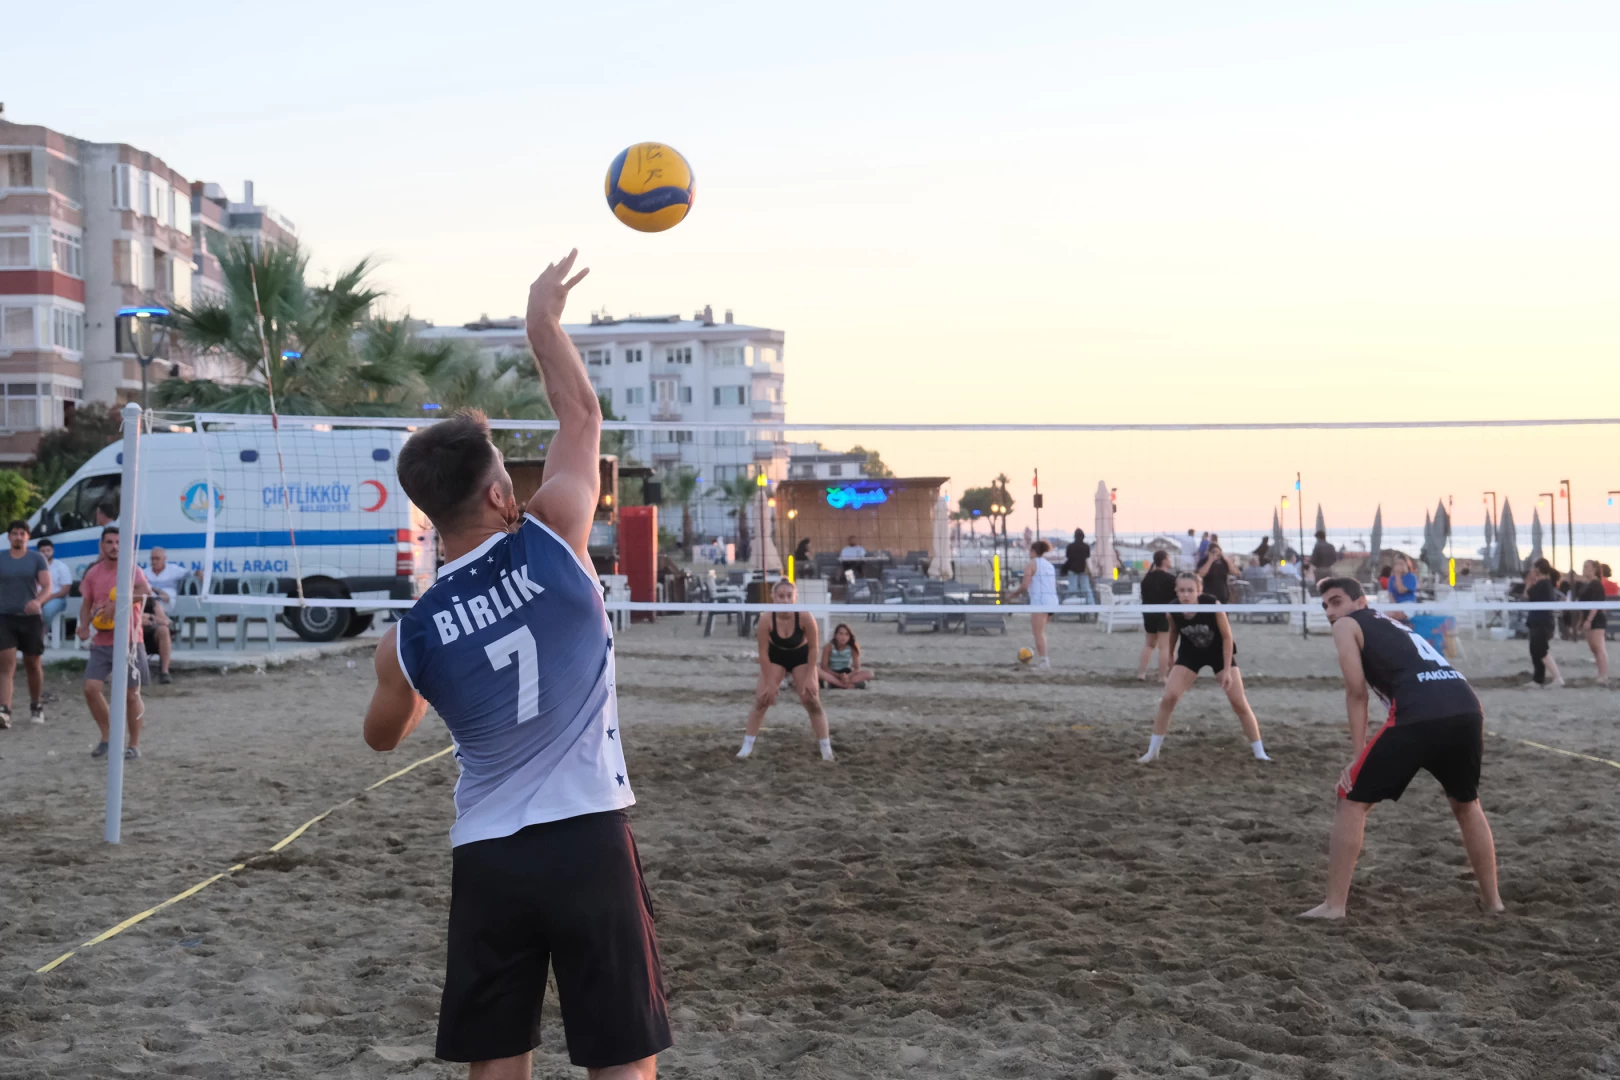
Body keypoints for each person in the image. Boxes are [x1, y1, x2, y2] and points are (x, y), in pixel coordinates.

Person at [363, 252, 670, 1079]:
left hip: (491, 856)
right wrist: (542, 322)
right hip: (588, 836)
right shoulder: (554, 535)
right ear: (501, 497)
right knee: (623, 1062)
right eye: (509, 477)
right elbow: (582, 415)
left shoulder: (411, 637)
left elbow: (383, 738)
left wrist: (417, 679)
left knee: (496, 1065)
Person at [1302, 578, 1503, 920]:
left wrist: (1357, 756)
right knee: (1467, 803)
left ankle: (1334, 906)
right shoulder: (1391, 623)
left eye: (1336, 602)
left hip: (1419, 711)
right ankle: (1493, 902)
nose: (1331, 612)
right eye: (1325, 606)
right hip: (1467, 706)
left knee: (1350, 797)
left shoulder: (1347, 625)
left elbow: (1356, 692)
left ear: (1360, 602)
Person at [1139, 572, 1270, 763]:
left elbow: (1227, 638)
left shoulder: (1212, 605)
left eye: (1190, 590)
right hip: (1191, 654)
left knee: (1238, 702)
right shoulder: (1173, 609)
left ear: (1199, 591)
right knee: (1168, 698)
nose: (1186, 595)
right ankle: (1152, 751)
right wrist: (1171, 655)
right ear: (1176, 591)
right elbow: (1174, 631)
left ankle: (1260, 752)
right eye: (1182, 590)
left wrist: (1227, 670)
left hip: (1218, 653)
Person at [78, 526, 152, 759]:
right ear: (102, 545)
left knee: (131, 695)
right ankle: (108, 737)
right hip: (102, 640)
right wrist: (83, 625)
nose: (114, 547)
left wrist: (119, 602)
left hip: (130, 639)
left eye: (118, 542)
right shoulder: (93, 573)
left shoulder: (132, 570)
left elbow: (145, 591)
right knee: (91, 689)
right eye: (109, 542)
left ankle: (134, 744)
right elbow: (86, 604)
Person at [740, 578, 834, 760]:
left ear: (795, 597)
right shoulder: (766, 619)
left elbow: (814, 649)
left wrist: (810, 676)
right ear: (773, 597)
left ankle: (826, 749)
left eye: (789, 596)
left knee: (811, 700)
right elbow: (763, 654)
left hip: (801, 656)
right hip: (776, 656)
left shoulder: (805, 616)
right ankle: (746, 747)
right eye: (781, 596)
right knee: (762, 700)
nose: (785, 600)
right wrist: (770, 683)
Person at [0, 520, 51, 728]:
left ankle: (36, 704)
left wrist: (37, 601)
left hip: (30, 618)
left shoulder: (36, 559)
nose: (18, 537)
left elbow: (47, 586)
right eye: (15, 533)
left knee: (33, 664)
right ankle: (4, 710)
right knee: (6, 665)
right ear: (9, 537)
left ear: (28, 537)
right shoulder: (1, 558)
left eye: (22, 533)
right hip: (4, 616)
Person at [145, 547, 193, 684]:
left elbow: (190, 575)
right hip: (146, 606)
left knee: (163, 629)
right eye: (152, 559)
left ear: (164, 559)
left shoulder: (174, 570)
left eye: (157, 558)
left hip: (163, 606)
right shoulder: (144, 573)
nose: (154, 561)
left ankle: (164, 672)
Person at [1008, 539, 1057, 670]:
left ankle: (1044, 662)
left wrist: (1011, 596)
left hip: (1040, 602)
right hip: (1052, 601)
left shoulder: (1031, 564)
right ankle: (1044, 660)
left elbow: (1024, 586)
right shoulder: (1049, 565)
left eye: (1030, 550)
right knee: (1041, 632)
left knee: (1038, 633)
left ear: (1034, 551)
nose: (1028, 553)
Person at [1136, 550, 1177, 682]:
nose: (1171, 560)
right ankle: (1162, 676)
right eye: (1169, 558)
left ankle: (1141, 674)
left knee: (1149, 644)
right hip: (1164, 614)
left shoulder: (1147, 578)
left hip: (1148, 614)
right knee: (1165, 646)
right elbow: (1176, 598)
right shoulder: (1171, 579)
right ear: (1164, 561)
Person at [1523, 559, 1562, 689]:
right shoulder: (1542, 584)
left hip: (1542, 622)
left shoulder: (1544, 584)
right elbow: (1527, 596)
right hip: (1537, 621)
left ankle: (1557, 678)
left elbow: (1526, 595)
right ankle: (1538, 679)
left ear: (1538, 570)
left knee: (1541, 650)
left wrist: (1530, 581)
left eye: (1533, 569)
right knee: (1535, 651)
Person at [1577, 560, 1609, 688]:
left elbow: (1596, 604)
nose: (1584, 569)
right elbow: (1582, 605)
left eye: (1586, 567)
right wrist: (1581, 621)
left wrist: (1589, 620)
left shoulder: (1596, 584)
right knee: (1594, 649)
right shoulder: (1586, 584)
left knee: (1599, 647)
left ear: (1594, 569)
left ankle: (1604, 675)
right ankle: (1600, 674)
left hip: (1596, 619)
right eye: (1583, 566)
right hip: (1588, 618)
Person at [38, 538, 73, 643]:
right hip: (37, 598)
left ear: (53, 551)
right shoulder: (34, 566)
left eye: (48, 550)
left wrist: (47, 598)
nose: (46, 553)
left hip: (57, 599)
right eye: (43, 551)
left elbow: (65, 590)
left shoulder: (61, 566)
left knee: (47, 610)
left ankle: (43, 635)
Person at [819, 622, 874, 689]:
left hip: (847, 672)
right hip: (832, 673)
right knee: (817, 671)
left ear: (849, 636)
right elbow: (824, 667)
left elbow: (857, 668)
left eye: (846, 634)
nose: (843, 637)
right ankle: (846, 685)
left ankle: (839, 684)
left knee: (870, 674)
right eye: (841, 634)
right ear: (836, 635)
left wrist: (847, 676)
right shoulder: (829, 647)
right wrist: (839, 675)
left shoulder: (852, 647)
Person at [1060, 528, 1094, 603]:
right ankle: (1091, 604)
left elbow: (1066, 559)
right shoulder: (1086, 546)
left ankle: (1073, 604)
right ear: (1083, 536)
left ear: (1075, 536)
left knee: (1072, 589)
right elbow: (1088, 560)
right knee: (1086, 589)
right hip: (1083, 570)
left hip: (1072, 569)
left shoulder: (1070, 546)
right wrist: (1090, 572)